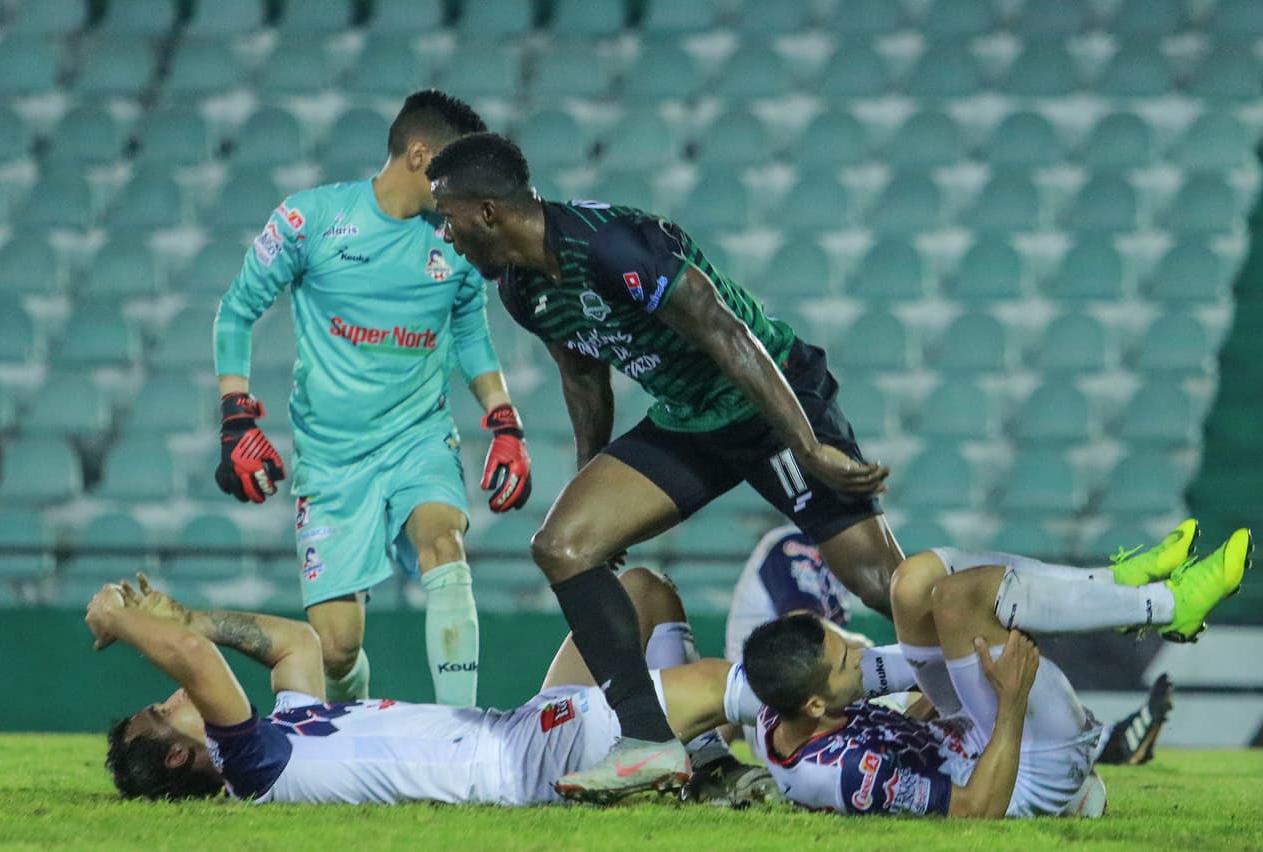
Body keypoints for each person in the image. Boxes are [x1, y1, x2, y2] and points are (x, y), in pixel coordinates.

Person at [424, 131, 903, 800]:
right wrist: (593, 483)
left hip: (767, 400)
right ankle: (649, 741)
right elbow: (583, 376)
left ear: (487, 211)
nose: (445, 235)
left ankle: (986, 686)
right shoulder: (522, 289)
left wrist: (807, 444)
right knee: (565, 545)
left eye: (446, 216)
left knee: (882, 583)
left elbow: (726, 333)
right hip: (689, 419)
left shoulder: (614, 245)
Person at [212, 92, 533, 708]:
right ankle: (354, 724)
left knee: (445, 546)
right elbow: (236, 311)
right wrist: (235, 418)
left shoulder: (457, 239)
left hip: (418, 438)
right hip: (332, 458)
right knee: (336, 649)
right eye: (455, 168)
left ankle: (458, 732)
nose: (466, 187)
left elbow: (469, 330)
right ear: (420, 156)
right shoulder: (310, 221)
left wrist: (504, 421)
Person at [91, 571, 769, 806]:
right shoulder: (248, 767)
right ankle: (827, 721)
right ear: (179, 753)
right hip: (523, 765)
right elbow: (195, 660)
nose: (171, 696)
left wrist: (188, 617)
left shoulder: (279, 734)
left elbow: (297, 643)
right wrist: (117, 619)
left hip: (514, 727)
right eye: (161, 710)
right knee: (717, 681)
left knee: (640, 593)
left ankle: (706, 764)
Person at [739, 522, 1251, 818]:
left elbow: (706, 687)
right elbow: (976, 809)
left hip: (965, 731)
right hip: (1022, 773)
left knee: (913, 582)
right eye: (848, 660)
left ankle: (1113, 583)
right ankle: (1166, 606)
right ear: (814, 704)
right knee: (962, 598)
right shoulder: (846, 775)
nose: (862, 656)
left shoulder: (779, 706)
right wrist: (1009, 705)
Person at [726, 524, 1178, 765]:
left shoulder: (837, 559)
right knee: (954, 664)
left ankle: (1098, 738)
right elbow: (806, 633)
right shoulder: (794, 546)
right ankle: (1100, 743)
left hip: (825, 697)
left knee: (949, 656)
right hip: (805, 710)